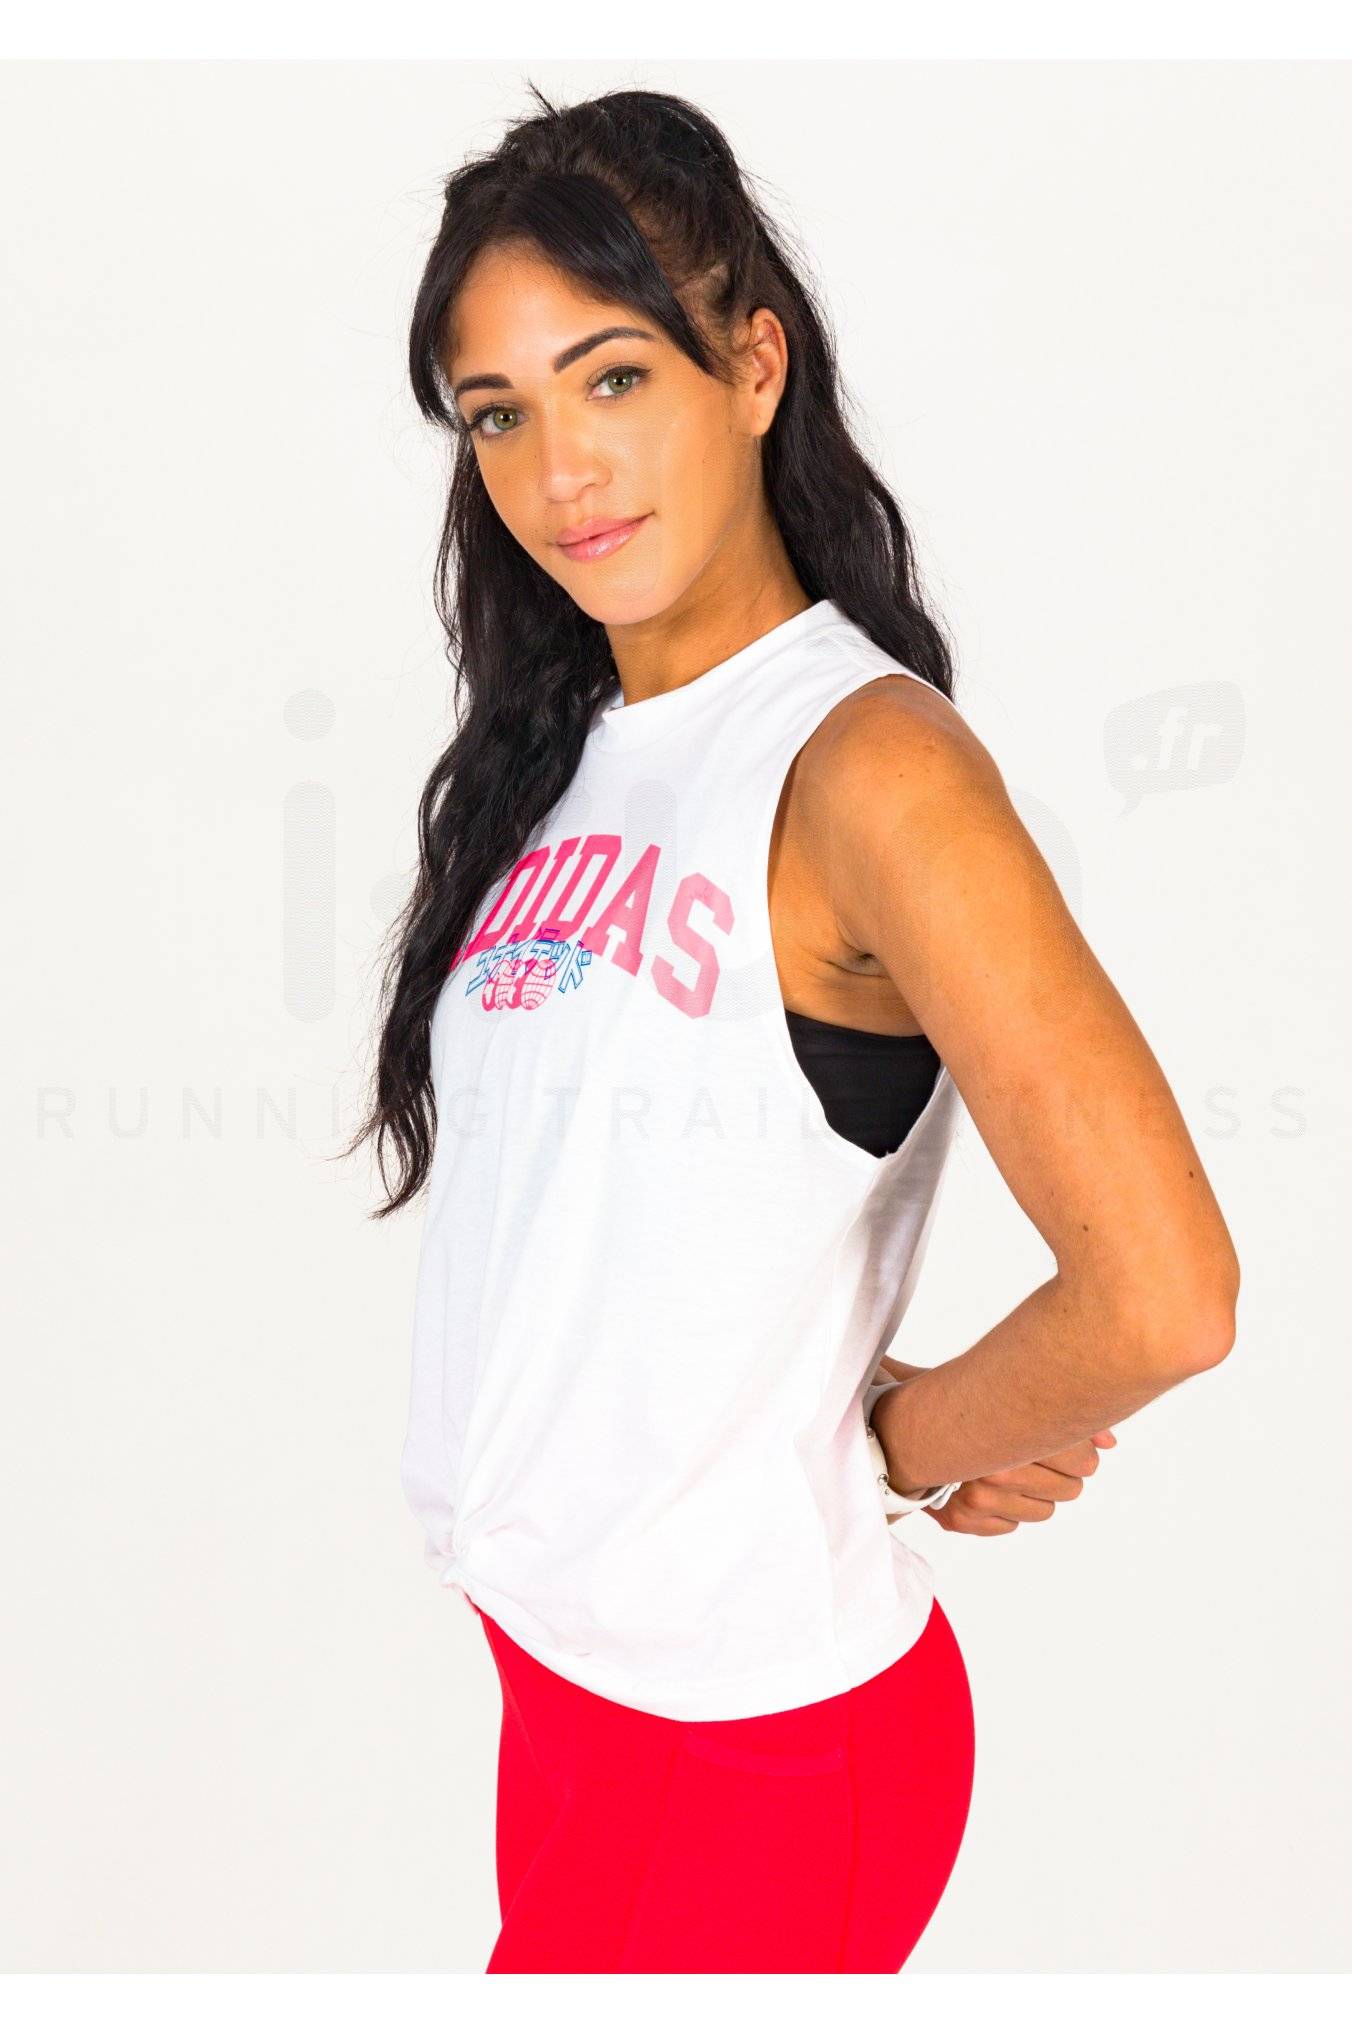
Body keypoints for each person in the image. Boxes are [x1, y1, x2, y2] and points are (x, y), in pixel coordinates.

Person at [343, 83, 1240, 1974]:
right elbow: (640, 1207)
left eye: (613, 378)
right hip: (568, 1692)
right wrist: (812, 1367)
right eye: (499, 413)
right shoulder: (571, 752)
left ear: (753, 365)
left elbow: (1164, 1290)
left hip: (750, 1749)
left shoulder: (871, 769)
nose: (560, 469)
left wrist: (909, 1433)